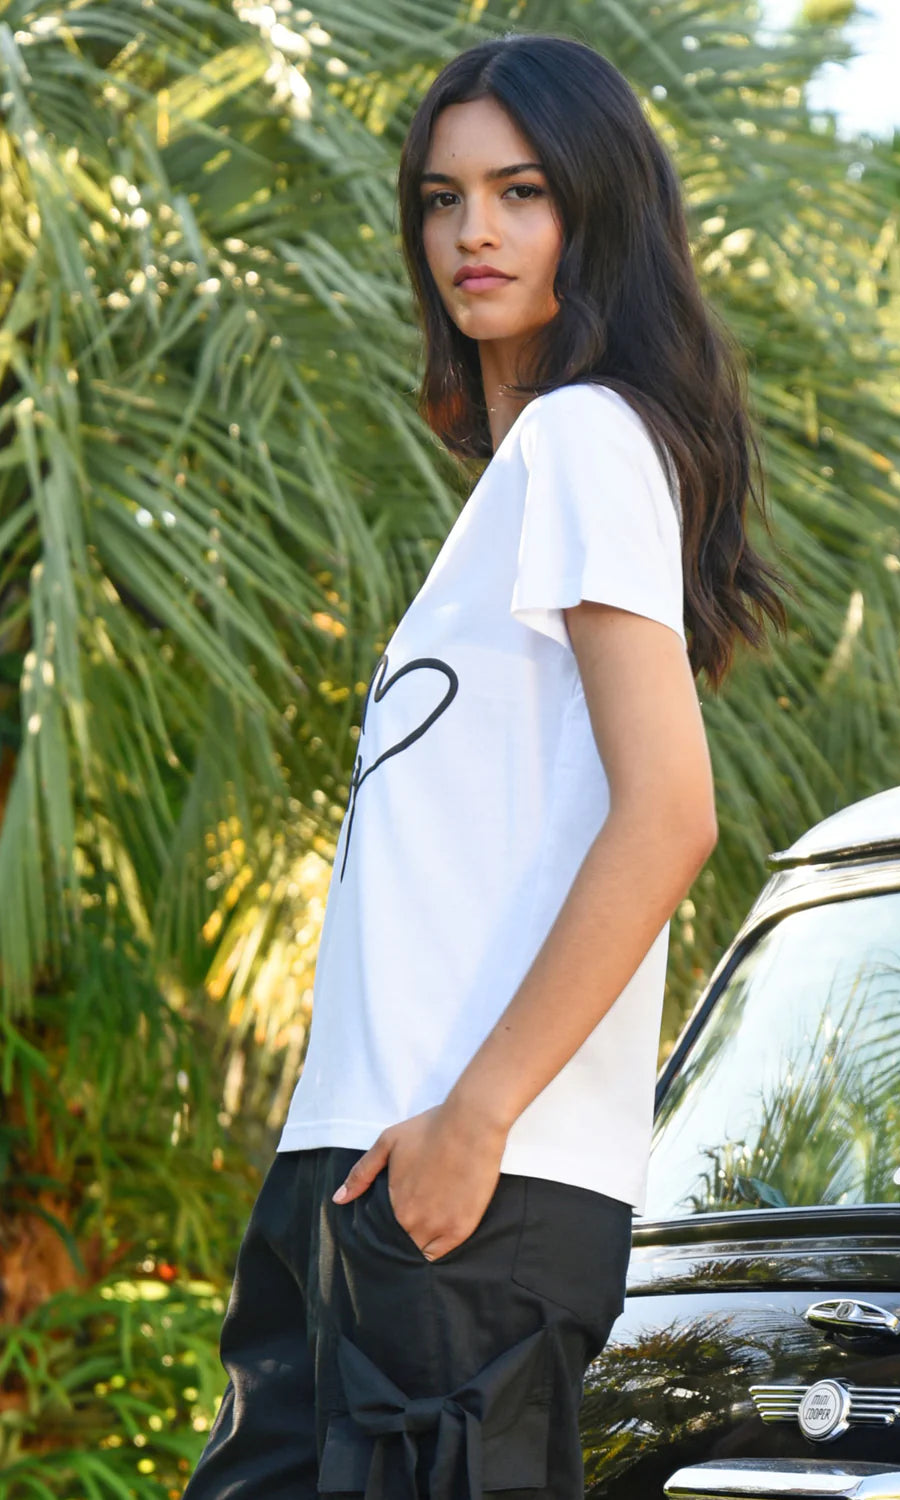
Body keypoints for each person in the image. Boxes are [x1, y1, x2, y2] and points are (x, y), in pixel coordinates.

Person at [182, 30, 787, 1500]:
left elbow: (671, 814)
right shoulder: (521, 481)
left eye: (522, 192)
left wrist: (479, 1113)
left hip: (463, 1183)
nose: (473, 233)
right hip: (358, 1161)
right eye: (442, 200)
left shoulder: (586, 439)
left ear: (600, 209)